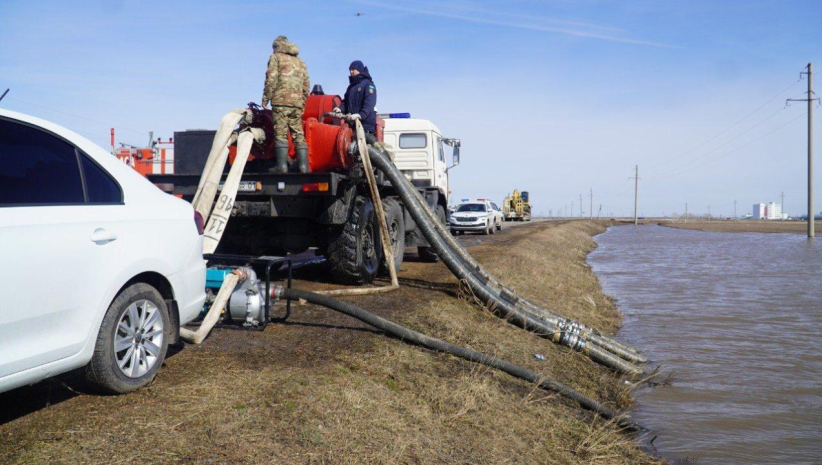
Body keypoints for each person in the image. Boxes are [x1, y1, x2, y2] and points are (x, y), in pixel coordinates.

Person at [262, 36, 310, 173]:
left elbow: (271, 79)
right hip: (297, 103)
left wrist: (266, 98)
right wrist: (302, 102)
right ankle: (303, 167)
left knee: (281, 133)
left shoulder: (276, 57)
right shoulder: (300, 62)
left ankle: (282, 167)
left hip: (281, 101)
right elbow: (306, 85)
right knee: (298, 133)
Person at [335, 60, 377, 139]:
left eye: (353, 69)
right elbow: (346, 101)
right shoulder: (351, 87)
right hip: (353, 126)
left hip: (365, 127)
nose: (351, 72)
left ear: (359, 69)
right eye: (350, 70)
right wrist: (340, 108)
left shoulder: (368, 84)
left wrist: (360, 115)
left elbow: (369, 103)